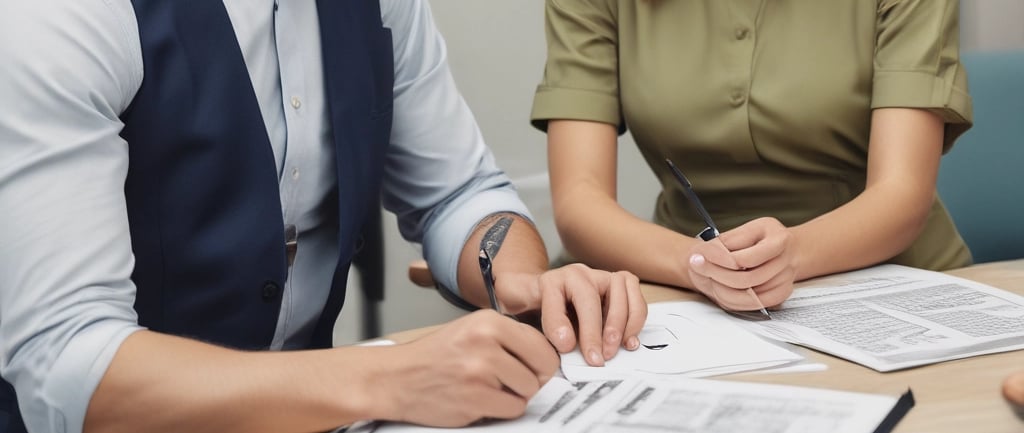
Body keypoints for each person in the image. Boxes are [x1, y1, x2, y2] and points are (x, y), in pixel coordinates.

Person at [0, 1, 648, 432]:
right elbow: (69, 366)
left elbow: (460, 193)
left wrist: (516, 276)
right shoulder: (64, 14)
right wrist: (392, 376)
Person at [530, 0, 973, 313]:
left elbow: (902, 192)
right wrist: (698, 266)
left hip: (886, 280)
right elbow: (579, 200)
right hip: (676, 286)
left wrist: (793, 254)